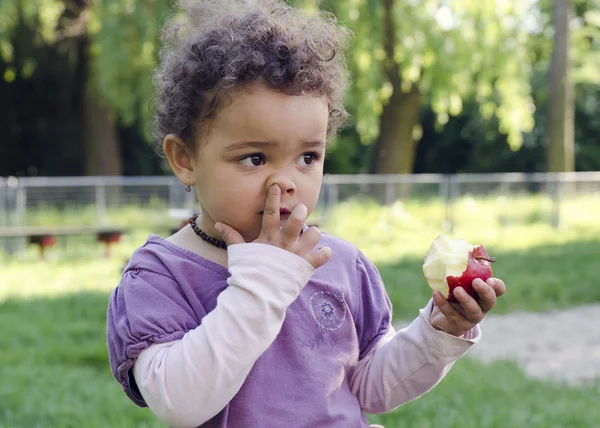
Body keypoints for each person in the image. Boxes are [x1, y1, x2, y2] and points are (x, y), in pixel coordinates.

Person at [106, 1, 506, 427]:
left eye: (308, 157)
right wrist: (264, 280)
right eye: (255, 158)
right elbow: (179, 403)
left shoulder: (340, 263)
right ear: (185, 158)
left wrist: (439, 331)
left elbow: (369, 387)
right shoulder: (159, 277)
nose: (286, 182)